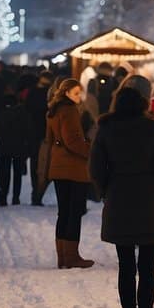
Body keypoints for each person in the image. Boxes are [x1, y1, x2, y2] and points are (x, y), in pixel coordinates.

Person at [89, 87, 154, 308]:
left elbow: (96, 167)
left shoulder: (106, 130)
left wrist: (106, 189)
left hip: (120, 200)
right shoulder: (153, 130)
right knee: (148, 268)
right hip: (150, 199)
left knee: (126, 266)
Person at [46, 78, 95, 268]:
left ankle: (63, 257)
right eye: (76, 93)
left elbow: (51, 139)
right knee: (74, 212)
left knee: (64, 212)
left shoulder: (53, 111)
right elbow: (73, 141)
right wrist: (90, 149)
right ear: (66, 93)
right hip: (73, 167)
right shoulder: (69, 111)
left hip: (58, 166)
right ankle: (72, 256)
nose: (79, 96)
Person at [0, 85, 32, 206]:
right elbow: (27, 128)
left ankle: (2, 196)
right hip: (18, 144)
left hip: (3, 144)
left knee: (3, 172)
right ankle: (16, 197)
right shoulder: (21, 110)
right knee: (17, 173)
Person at [26, 71, 52, 205]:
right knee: (42, 164)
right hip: (42, 133)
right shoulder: (49, 94)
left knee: (36, 164)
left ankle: (36, 192)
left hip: (35, 133)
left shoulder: (32, 93)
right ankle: (37, 193)